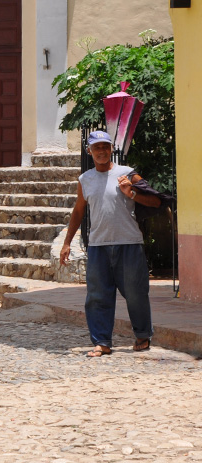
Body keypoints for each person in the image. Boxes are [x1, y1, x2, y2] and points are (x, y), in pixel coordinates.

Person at [60, 130, 159, 357]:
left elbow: (154, 200)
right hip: (98, 246)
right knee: (97, 296)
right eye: (97, 148)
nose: (102, 151)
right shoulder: (85, 179)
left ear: (111, 149)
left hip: (129, 243)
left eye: (105, 146)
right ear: (89, 151)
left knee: (136, 293)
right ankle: (102, 342)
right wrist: (67, 242)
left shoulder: (127, 174)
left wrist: (131, 192)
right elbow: (78, 211)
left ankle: (143, 335)